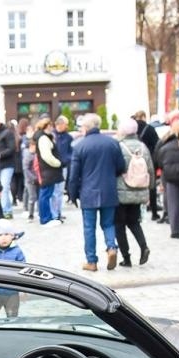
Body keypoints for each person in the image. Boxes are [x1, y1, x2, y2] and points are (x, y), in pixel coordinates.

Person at [64, 113, 127, 273]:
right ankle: (111, 247)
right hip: (109, 190)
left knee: (89, 228)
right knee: (108, 224)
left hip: (88, 192)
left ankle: (91, 261)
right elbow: (121, 166)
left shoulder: (79, 146)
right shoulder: (112, 143)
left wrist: (73, 194)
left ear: (86, 128)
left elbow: (73, 175)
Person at [114, 119, 151, 268]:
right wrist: (149, 188)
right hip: (139, 190)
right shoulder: (143, 147)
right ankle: (144, 247)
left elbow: (116, 168)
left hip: (121, 192)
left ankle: (126, 257)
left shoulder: (119, 146)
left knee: (119, 225)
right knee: (134, 222)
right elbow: (150, 168)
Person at [0, 220, 26, 320]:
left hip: (12, 292)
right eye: (0, 235)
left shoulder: (17, 251)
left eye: (7, 234)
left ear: (12, 236)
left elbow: (23, 271)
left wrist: (24, 290)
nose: (3, 237)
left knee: (12, 316)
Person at [32, 117, 64, 225]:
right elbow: (47, 156)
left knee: (46, 194)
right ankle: (45, 218)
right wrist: (58, 163)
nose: (52, 128)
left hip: (47, 170)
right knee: (45, 194)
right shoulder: (43, 138)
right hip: (48, 170)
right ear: (47, 126)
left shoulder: (43, 137)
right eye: (50, 126)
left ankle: (46, 217)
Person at [134, 111, 163, 222]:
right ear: (143, 117)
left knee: (136, 185)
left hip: (135, 162)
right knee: (151, 186)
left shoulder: (132, 129)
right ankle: (154, 212)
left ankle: (137, 213)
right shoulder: (150, 129)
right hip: (149, 160)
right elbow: (157, 145)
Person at [51, 115, 74, 222]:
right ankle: (54, 213)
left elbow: (71, 152)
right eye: (65, 124)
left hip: (63, 166)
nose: (66, 126)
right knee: (53, 192)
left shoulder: (68, 137)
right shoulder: (51, 136)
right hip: (52, 167)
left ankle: (58, 212)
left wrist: (66, 159)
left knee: (60, 191)